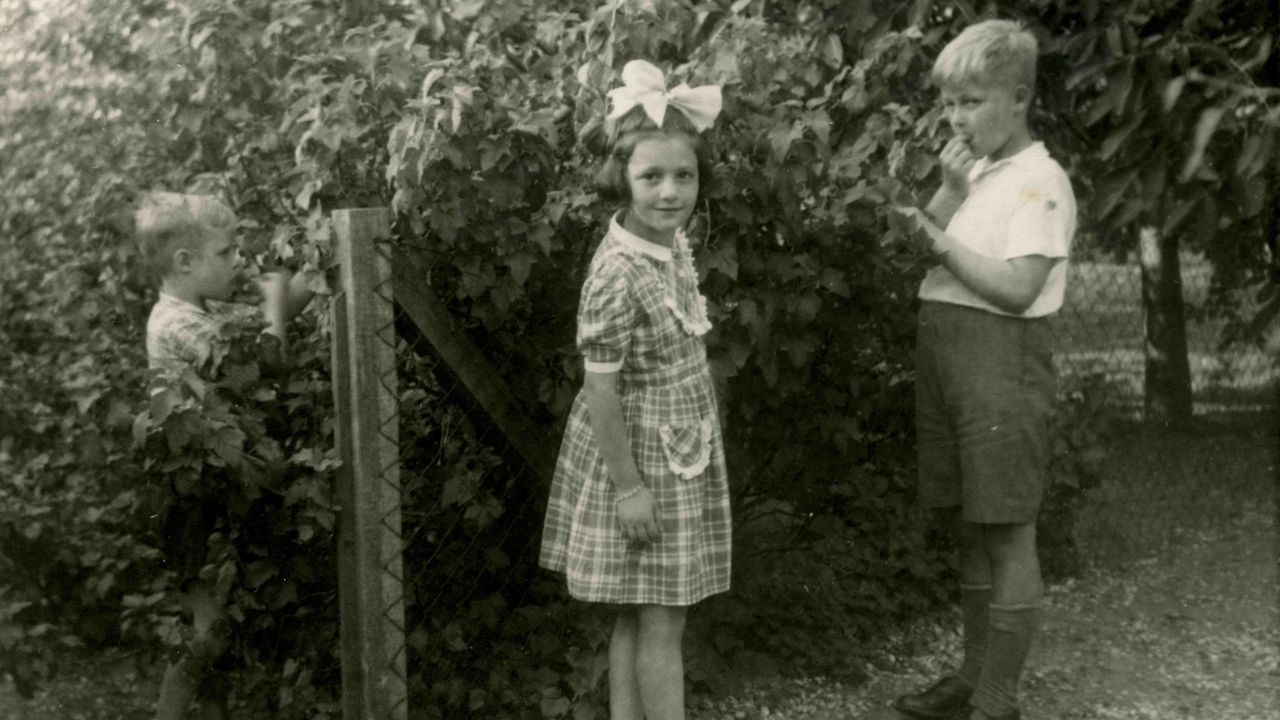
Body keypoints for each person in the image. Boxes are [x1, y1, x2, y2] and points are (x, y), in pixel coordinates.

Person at [889, 19, 1077, 720]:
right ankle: (972, 679)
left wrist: (935, 240)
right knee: (970, 525)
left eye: (972, 102)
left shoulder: (1040, 182)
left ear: (1020, 96)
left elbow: (1018, 287)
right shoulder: (976, 174)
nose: (956, 119)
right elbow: (916, 252)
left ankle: (998, 701)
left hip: (1003, 362)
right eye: (948, 104)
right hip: (948, 356)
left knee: (1005, 530)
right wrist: (944, 192)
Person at [539, 60, 732, 720]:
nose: (670, 191)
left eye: (684, 176)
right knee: (661, 624)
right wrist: (628, 487)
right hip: (643, 460)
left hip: (678, 451)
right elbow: (599, 390)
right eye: (651, 177)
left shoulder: (668, 244)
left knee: (640, 610)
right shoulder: (617, 271)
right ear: (622, 180)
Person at [136, 191, 310, 720]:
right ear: (186, 262)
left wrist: (310, 279)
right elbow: (260, 363)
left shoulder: (199, 309)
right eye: (228, 253)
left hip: (212, 486)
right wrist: (277, 304)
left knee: (221, 631)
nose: (240, 262)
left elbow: (267, 314)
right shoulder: (175, 324)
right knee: (211, 633)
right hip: (190, 501)